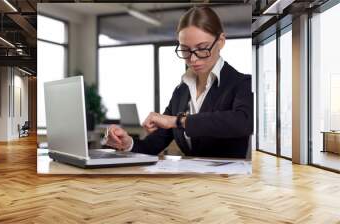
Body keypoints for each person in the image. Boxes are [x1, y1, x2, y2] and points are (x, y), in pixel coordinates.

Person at [104, 5, 253, 158]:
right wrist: (127, 143)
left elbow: (243, 122)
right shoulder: (181, 92)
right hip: (188, 179)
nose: (193, 59)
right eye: (185, 50)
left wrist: (178, 121)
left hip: (227, 181)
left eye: (202, 48)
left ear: (221, 41)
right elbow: (152, 145)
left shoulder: (243, 83)